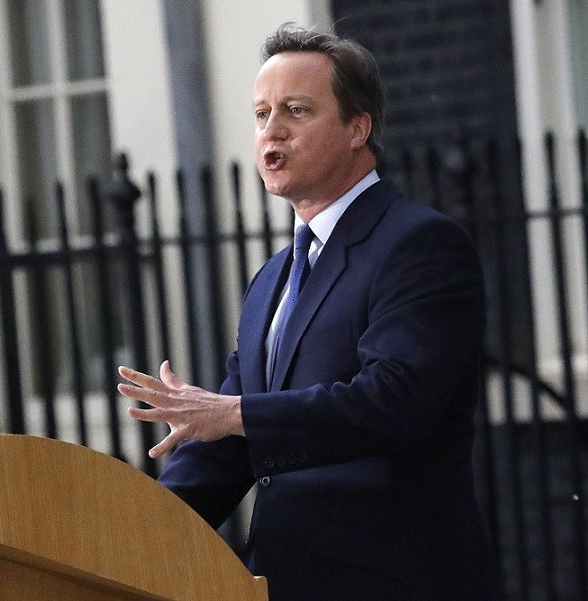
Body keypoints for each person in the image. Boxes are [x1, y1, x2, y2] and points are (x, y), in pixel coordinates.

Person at [118, 24, 501, 601]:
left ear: (357, 127)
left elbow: (395, 402)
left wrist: (236, 412)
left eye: (296, 111)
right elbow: (231, 445)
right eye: (261, 113)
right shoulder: (272, 277)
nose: (272, 132)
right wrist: (116, 535)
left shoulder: (419, 244)